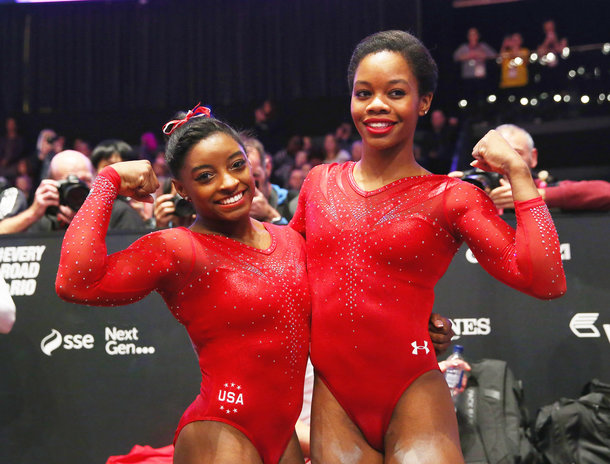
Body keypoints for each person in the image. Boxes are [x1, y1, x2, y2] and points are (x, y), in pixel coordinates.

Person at [290, 30, 566, 463]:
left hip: (412, 390)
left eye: (395, 92)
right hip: (334, 399)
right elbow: (287, 274)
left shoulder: (451, 198)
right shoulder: (319, 183)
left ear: (424, 102)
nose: (377, 105)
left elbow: (546, 280)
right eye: (364, 93)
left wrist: (518, 172)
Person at [55, 109, 311, 464]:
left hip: (284, 436)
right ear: (181, 190)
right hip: (219, 433)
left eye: (236, 165)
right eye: (206, 176)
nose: (228, 182)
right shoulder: (177, 250)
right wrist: (108, 182)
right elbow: (75, 282)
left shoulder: (291, 239)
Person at [472, 124, 610, 212]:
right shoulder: (476, 188)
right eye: (501, 154)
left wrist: (538, 196)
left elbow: (606, 192)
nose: (508, 161)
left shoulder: (545, 186)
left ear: (534, 157)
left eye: (517, 153)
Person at [18, 150, 145, 233]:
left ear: (95, 178)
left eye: (85, 180)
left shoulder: (119, 213)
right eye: (70, 182)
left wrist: (86, 221)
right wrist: (33, 213)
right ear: (53, 185)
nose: (80, 187)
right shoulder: (45, 222)